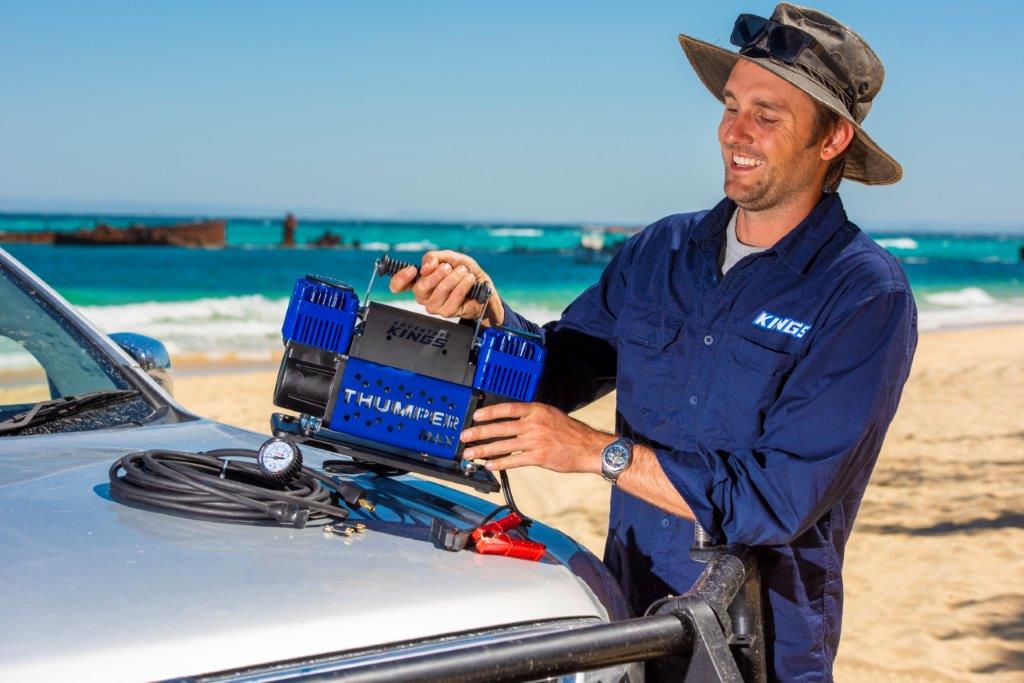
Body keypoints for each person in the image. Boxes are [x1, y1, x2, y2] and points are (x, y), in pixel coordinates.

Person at [389, 5, 916, 680]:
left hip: (758, 649)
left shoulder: (865, 295)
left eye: (768, 113)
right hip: (631, 623)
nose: (735, 131)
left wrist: (594, 452)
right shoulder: (661, 249)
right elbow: (559, 372)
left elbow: (774, 500)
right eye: (731, 105)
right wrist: (486, 313)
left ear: (832, 139)